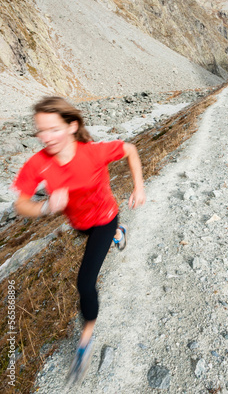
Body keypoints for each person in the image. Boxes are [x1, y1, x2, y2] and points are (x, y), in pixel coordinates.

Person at [12, 96, 146, 384]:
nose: (46, 138)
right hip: (80, 224)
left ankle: (86, 336)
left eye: (53, 129)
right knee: (90, 236)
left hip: (105, 218)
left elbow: (130, 149)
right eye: (40, 131)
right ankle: (119, 235)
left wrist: (139, 187)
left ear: (72, 126)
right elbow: (21, 204)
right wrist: (45, 207)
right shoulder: (38, 163)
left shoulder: (94, 152)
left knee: (85, 282)